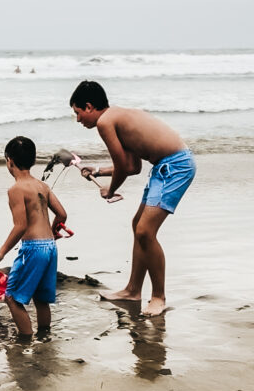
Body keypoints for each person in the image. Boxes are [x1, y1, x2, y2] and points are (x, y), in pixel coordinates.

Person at [70, 80, 196, 316]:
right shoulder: (116, 116)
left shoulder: (105, 121)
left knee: (145, 232)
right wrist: (97, 171)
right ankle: (132, 290)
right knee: (137, 226)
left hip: (176, 166)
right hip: (163, 167)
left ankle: (159, 297)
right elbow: (132, 166)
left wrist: (109, 189)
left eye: (77, 113)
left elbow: (121, 166)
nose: (78, 120)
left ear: (88, 106)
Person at [0, 136, 67, 337]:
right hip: (50, 247)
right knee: (41, 298)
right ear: (32, 161)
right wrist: (52, 231)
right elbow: (62, 214)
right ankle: (44, 335)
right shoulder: (42, 186)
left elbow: (20, 226)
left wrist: (0, 254)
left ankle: (26, 339)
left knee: (12, 297)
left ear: (9, 160)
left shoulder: (16, 189)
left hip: (32, 248)